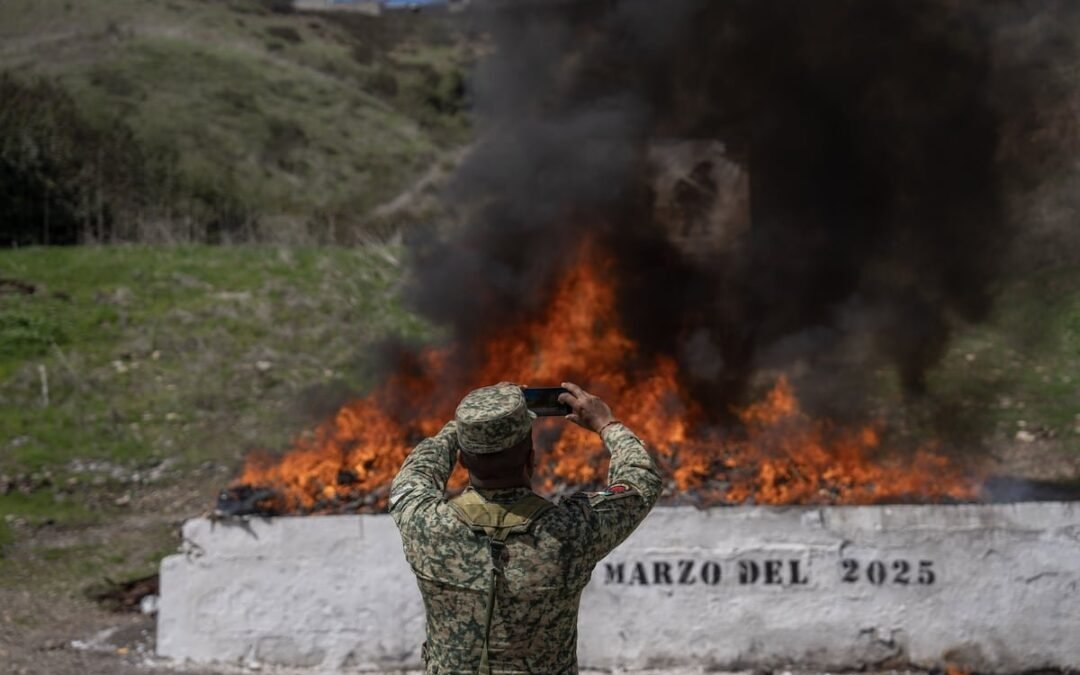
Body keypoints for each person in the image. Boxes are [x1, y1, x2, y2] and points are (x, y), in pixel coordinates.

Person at [389, 381, 662, 674]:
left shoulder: (424, 523)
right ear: (531, 458)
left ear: (463, 461)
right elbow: (640, 480)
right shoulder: (571, 531)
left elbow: (416, 472)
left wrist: (470, 423)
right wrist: (606, 423)